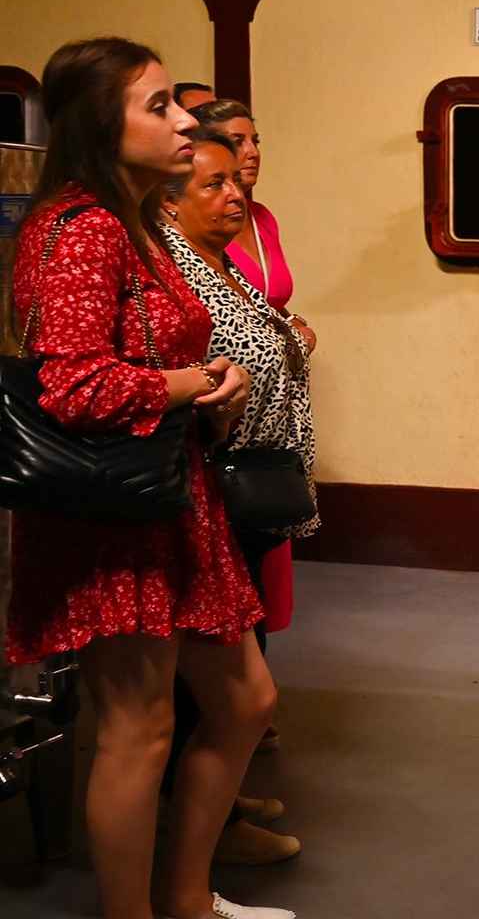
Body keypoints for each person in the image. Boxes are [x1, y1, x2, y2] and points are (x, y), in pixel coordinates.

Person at [6, 37, 295, 919]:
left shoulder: (130, 219)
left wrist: (212, 385)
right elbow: (74, 384)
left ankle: (189, 901)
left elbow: (149, 353)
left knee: (245, 700)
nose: (184, 123)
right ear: (103, 123)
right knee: (139, 729)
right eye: (159, 105)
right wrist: (192, 383)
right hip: (116, 516)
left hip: (174, 499)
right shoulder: (85, 228)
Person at [153, 128, 320, 866]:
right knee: (210, 684)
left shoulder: (220, 263)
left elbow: (269, 337)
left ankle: (218, 799)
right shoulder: (172, 271)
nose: (234, 195)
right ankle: (203, 832)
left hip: (251, 486)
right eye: (213, 184)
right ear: (169, 201)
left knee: (246, 651)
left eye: (235, 181)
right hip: (211, 490)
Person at [189, 100, 314, 753]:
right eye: (216, 181)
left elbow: (265, 314)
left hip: (261, 462)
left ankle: (231, 769)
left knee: (251, 613)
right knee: (217, 645)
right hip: (216, 472)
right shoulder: (177, 265)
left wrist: (290, 333)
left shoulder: (230, 253)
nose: (238, 182)